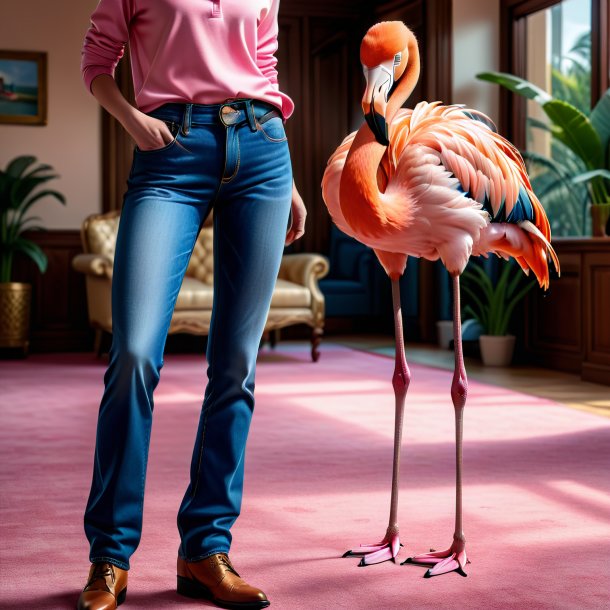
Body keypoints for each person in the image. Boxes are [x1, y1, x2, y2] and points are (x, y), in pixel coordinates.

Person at [77, 1, 306, 609]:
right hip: (169, 152)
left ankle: (204, 549)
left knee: (237, 361)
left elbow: (261, 67)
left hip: (262, 151)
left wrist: (291, 183)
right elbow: (98, 60)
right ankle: (110, 555)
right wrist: (130, 119)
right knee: (133, 352)